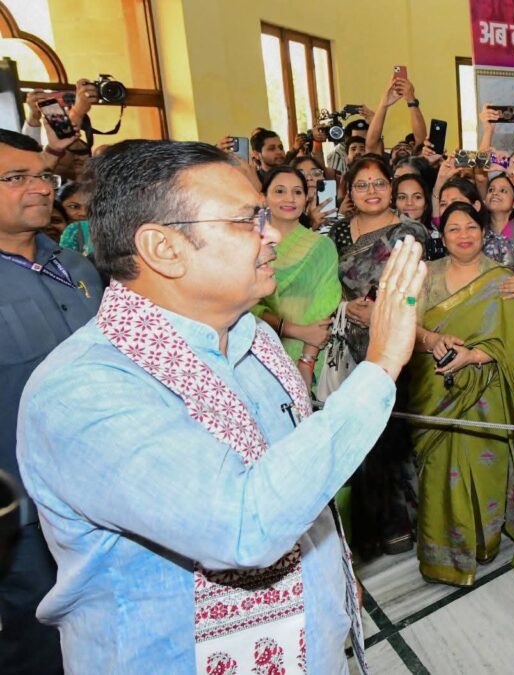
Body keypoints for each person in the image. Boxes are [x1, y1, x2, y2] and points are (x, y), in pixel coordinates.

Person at [16, 138, 428, 673]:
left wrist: (327, 596)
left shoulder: (254, 340)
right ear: (163, 248)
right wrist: (379, 368)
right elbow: (243, 525)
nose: (272, 235)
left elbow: (297, 482)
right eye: (246, 221)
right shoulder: (84, 391)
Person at [408, 202, 514, 586]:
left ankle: (483, 543)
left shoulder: (501, 279)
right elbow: (407, 328)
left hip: (486, 392)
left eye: (471, 227)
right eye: (454, 229)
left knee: (484, 467)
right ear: (442, 236)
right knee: (439, 472)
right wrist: (434, 340)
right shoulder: (425, 277)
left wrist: (474, 355)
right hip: (436, 389)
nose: (463, 235)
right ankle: (443, 555)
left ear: (483, 231)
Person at [0, 128, 100, 675]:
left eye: (44, 175)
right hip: (27, 515)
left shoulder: (78, 268)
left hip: (104, 494)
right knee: (35, 643)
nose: (39, 187)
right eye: (17, 177)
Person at [329, 155, 427, 558]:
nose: (371, 191)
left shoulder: (409, 231)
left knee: (396, 431)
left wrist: (388, 310)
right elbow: (327, 283)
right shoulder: (336, 233)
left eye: (379, 183)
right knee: (360, 430)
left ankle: (406, 522)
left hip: (396, 339)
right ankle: (370, 526)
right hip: (348, 341)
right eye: (362, 185)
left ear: (391, 186)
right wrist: (342, 306)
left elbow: (420, 286)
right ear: (349, 192)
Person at [252, 166, 341, 391]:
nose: (289, 198)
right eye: (280, 191)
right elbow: (244, 306)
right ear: (263, 197)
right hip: (252, 351)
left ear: (306, 198)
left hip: (304, 352)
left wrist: (306, 362)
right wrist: (293, 329)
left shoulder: (321, 246)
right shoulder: (249, 243)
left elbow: (323, 309)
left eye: (297, 192)